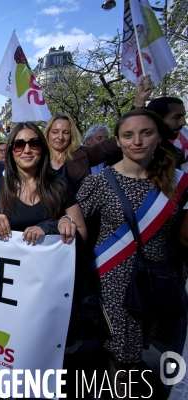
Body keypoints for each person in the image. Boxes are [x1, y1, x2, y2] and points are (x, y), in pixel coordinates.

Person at [77, 109, 188, 396]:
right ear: (119, 141)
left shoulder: (178, 183)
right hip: (114, 282)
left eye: (146, 133)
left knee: (141, 353)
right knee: (121, 356)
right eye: (128, 135)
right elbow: (75, 224)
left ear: (159, 137)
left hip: (159, 282)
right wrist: (63, 223)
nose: (137, 141)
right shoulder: (99, 182)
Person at [0, 122, 87, 245]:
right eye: (19, 145)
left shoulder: (59, 184)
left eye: (34, 143)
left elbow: (82, 233)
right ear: (11, 151)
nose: (27, 150)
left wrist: (60, 223)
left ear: (42, 148)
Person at [45, 113, 119, 193]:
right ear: (48, 133)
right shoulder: (37, 156)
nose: (60, 137)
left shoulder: (82, 154)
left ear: (71, 135)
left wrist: (124, 135)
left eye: (66, 132)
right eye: (55, 132)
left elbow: (106, 147)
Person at [133, 74, 186, 168]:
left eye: (183, 117)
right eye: (177, 117)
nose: (183, 123)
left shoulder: (177, 154)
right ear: (158, 119)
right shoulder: (133, 150)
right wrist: (139, 103)